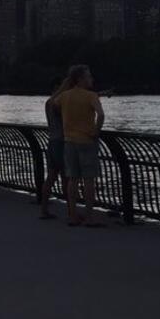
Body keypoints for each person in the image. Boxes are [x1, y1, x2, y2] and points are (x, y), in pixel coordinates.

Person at [56, 64, 105, 227]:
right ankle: (90, 217)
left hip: (69, 142)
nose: (92, 79)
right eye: (89, 76)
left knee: (73, 179)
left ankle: (73, 215)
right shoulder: (91, 96)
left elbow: (53, 103)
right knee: (89, 179)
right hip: (86, 141)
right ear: (80, 79)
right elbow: (101, 114)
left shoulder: (64, 97)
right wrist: (96, 132)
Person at [39, 80, 70, 220]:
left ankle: (44, 210)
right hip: (61, 143)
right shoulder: (56, 104)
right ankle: (71, 211)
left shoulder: (48, 103)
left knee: (50, 178)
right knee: (66, 179)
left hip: (51, 142)